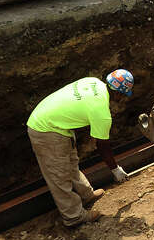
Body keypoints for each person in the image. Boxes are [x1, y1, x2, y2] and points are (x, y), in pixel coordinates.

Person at [26, 69, 135, 228]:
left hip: (55, 122)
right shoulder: (101, 112)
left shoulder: (93, 82)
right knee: (59, 175)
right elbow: (102, 146)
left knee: (71, 162)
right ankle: (73, 216)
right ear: (119, 94)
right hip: (45, 129)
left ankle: (86, 195)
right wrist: (115, 169)